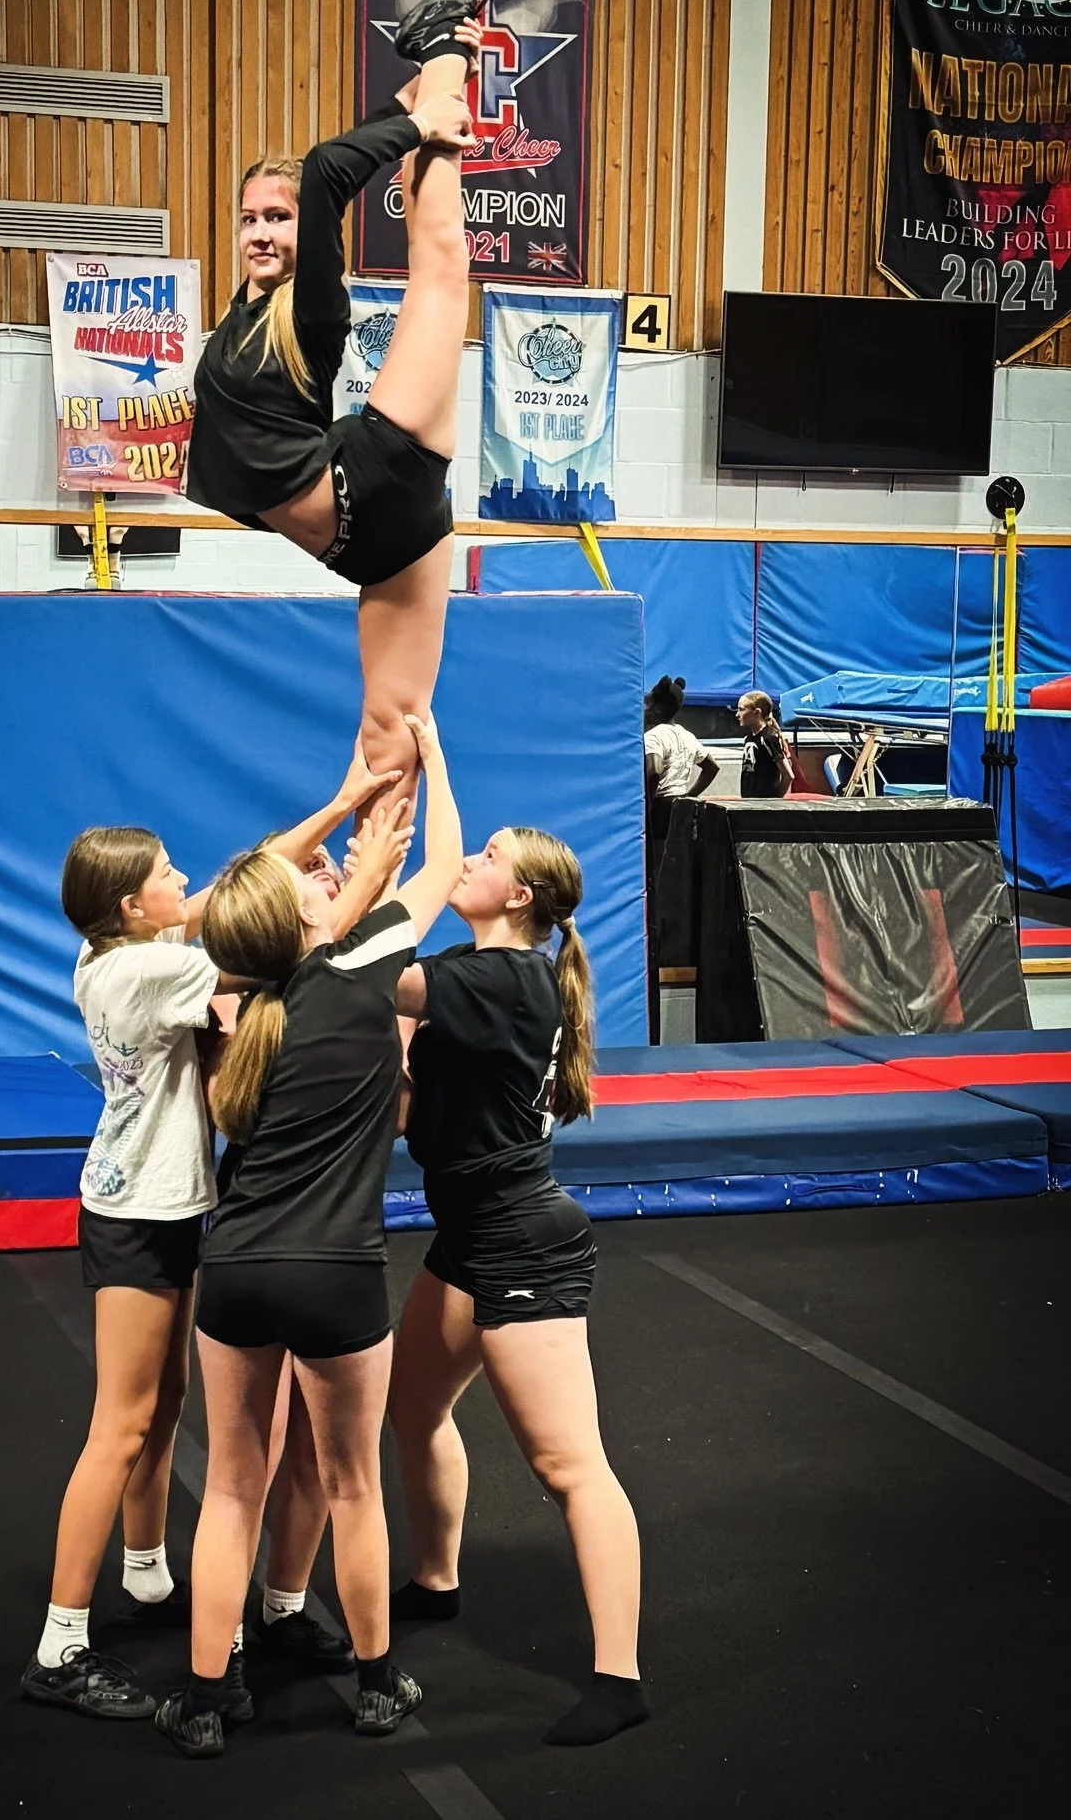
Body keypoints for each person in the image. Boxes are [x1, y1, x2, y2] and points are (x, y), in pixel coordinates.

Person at [22, 742, 406, 1723]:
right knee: (123, 1420)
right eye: (165, 878)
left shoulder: (111, 944)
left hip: (175, 1201)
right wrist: (365, 878)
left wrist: (341, 800)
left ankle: (150, 1573)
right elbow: (270, 935)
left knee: (173, 1400)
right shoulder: (149, 973)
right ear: (133, 910)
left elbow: (251, 874)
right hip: (137, 1214)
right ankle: (61, 1644)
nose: (183, 882)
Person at [155, 713, 462, 1759]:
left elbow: (245, 908)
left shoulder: (228, 995)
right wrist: (428, 755)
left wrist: (348, 824)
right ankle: (376, 1688)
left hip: (234, 1267)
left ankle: (205, 1697)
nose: (326, 873)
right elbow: (447, 863)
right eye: (312, 880)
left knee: (232, 1486)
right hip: (338, 1275)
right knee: (352, 1484)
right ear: (301, 921)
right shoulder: (367, 965)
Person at [185, 0, 493, 816]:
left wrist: (423, 116)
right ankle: (367, 914)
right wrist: (403, 110)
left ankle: (446, 57)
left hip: (372, 479)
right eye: (248, 218)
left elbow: (326, 171)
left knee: (440, 263)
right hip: (380, 545)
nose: (261, 232)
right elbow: (327, 172)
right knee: (389, 740)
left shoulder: (307, 310)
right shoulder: (239, 323)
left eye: (277, 219)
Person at [386, 827, 647, 1749]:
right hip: (469, 1230)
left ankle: (620, 1678)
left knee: (570, 1467)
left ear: (524, 896)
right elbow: (410, 1075)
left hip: (521, 1241)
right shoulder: (476, 968)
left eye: (487, 855)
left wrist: (370, 875)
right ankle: (436, 1578)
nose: (470, 862)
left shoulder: (502, 979)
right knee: (412, 1406)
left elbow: (369, 973)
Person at [644, 675, 718, 803]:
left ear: (658, 709)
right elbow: (712, 767)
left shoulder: (653, 736)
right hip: (682, 805)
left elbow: (654, 772)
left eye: (646, 703)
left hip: (660, 804)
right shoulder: (687, 736)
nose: (643, 708)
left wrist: (648, 804)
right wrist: (689, 796)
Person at [737, 690, 793, 798]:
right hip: (748, 802)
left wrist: (775, 800)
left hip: (763, 804)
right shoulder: (749, 738)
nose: (737, 714)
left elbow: (788, 775)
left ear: (757, 712)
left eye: (741, 710)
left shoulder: (769, 738)